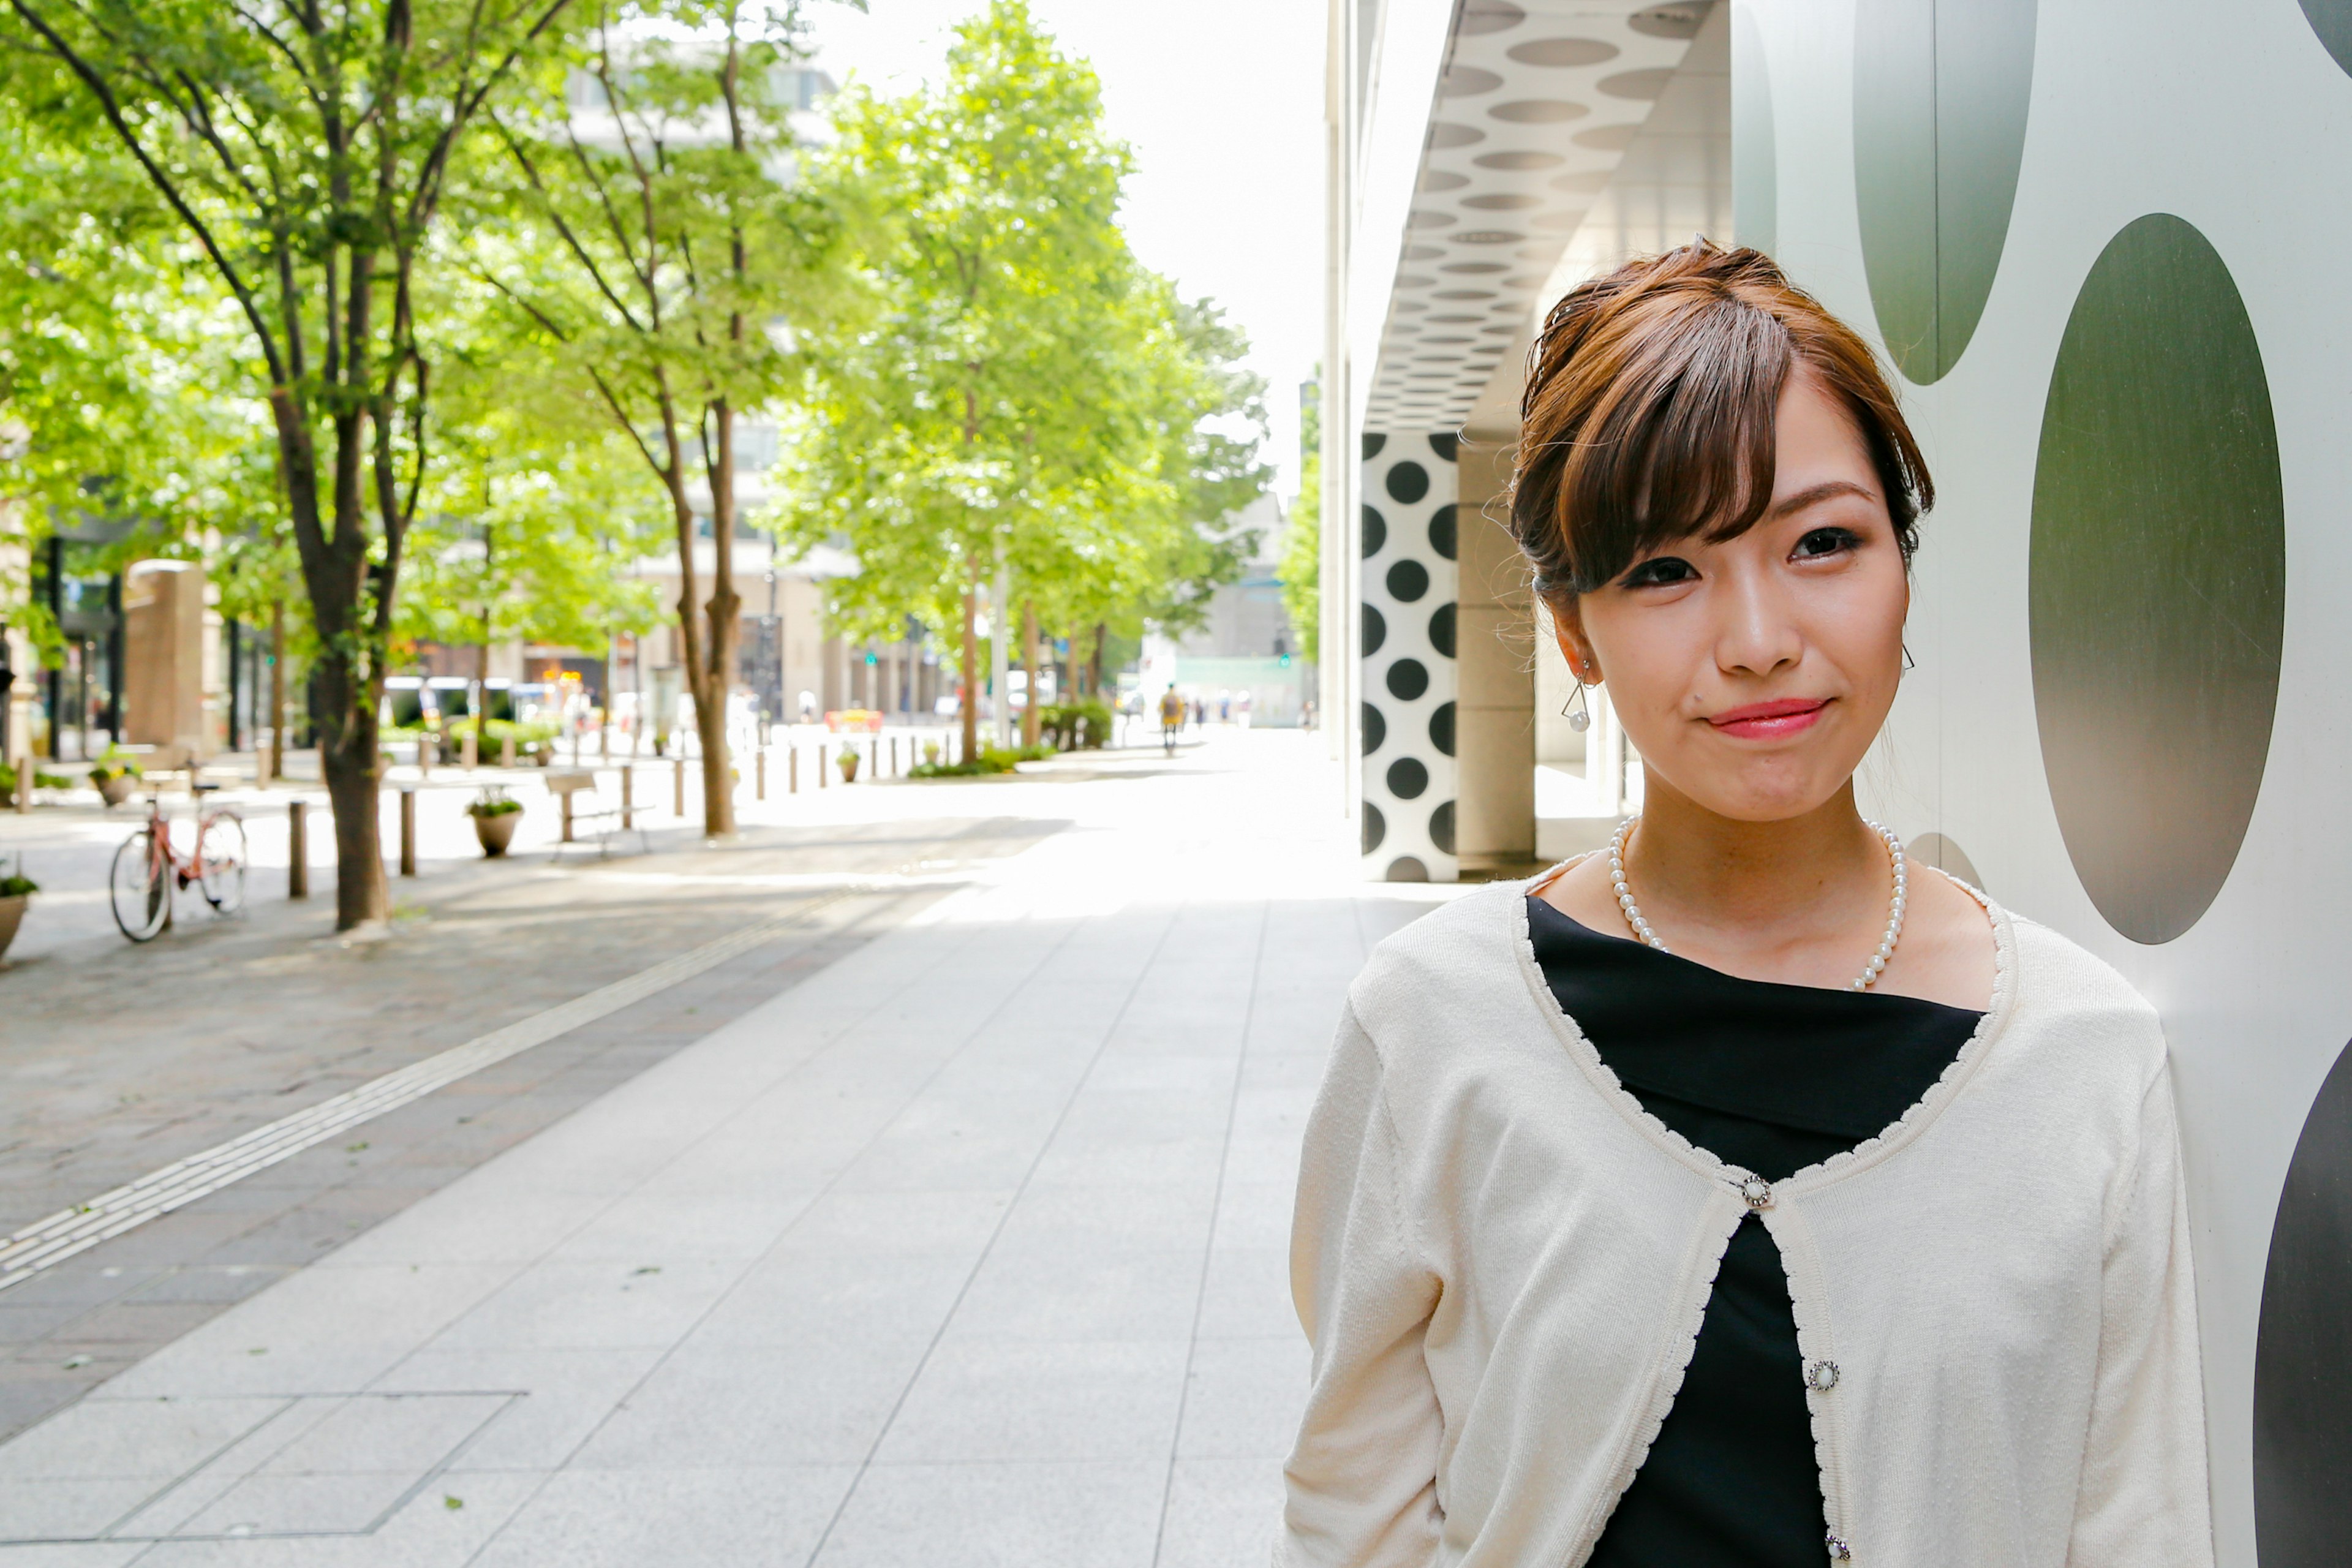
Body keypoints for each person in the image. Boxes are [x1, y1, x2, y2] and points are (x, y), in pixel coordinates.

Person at [1279, 241, 2210, 1568]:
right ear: (1574, 631)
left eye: (1824, 541)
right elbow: (1353, 1506)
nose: (1760, 635)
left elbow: (2138, 1520)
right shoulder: (1434, 1022)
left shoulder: (2082, 1054)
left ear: (1903, 565)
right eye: (1666, 568)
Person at [1158, 685, 1185, 754]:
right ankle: (1173, 743)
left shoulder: (1165, 697)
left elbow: (1161, 707)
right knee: (1174, 731)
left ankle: (1166, 743)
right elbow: (1180, 707)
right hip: (1175, 718)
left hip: (1166, 718)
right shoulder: (1177, 697)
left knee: (1166, 731)